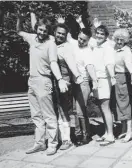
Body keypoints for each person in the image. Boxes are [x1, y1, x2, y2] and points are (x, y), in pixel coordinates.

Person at [17, 12, 68, 155]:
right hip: (31, 81)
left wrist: (59, 79)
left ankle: (52, 143)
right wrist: (20, 19)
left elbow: (53, 62)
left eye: (45, 31)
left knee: (48, 115)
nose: (42, 32)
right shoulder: (32, 38)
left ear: (48, 32)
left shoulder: (51, 43)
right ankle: (39, 143)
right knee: (36, 116)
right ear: (37, 29)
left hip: (44, 81)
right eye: (40, 29)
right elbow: (19, 31)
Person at [52, 23, 84, 150]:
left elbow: (71, 62)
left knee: (64, 110)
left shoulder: (67, 47)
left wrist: (77, 75)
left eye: (63, 34)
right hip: (51, 81)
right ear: (54, 32)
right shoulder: (51, 43)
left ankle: (67, 139)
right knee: (55, 110)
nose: (60, 35)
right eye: (58, 33)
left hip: (64, 81)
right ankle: (57, 137)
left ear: (66, 36)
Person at [85, 25, 116, 146]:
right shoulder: (96, 46)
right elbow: (91, 39)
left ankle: (111, 135)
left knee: (105, 107)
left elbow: (109, 63)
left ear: (106, 36)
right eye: (97, 33)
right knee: (102, 108)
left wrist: (113, 76)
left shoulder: (107, 47)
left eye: (102, 34)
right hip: (97, 80)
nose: (98, 35)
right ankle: (106, 132)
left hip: (104, 80)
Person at [71, 28, 96, 145]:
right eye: (80, 38)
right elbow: (68, 37)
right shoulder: (74, 45)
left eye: (84, 40)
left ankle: (86, 135)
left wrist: (95, 81)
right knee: (75, 111)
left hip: (84, 83)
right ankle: (78, 134)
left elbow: (90, 67)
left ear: (88, 41)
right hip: (74, 82)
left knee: (81, 110)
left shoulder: (88, 52)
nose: (81, 41)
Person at [113, 28, 132, 143]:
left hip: (124, 77)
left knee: (125, 104)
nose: (119, 42)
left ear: (125, 40)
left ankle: (129, 131)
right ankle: (123, 129)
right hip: (115, 78)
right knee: (119, 104)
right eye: (117, 39)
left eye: (121, 40)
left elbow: (129, 63)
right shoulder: (114, 48)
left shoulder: (126, 50)